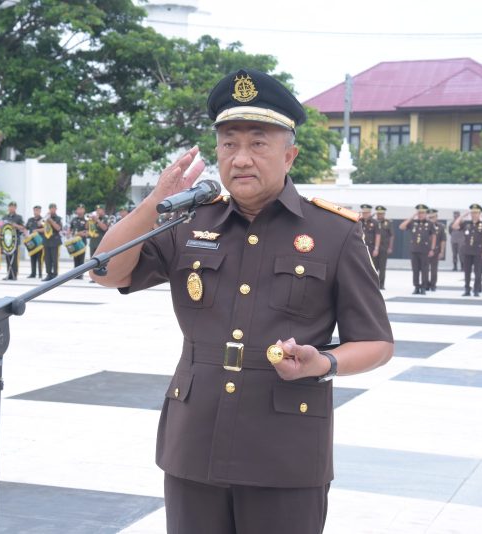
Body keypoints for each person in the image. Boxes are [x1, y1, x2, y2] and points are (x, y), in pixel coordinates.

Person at [90, 68, 394, 534]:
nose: (241, 158)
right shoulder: (188, 223)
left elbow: (375, 342)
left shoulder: (334, 232)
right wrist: (156, 200)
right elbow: (107, 271)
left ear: (289, 154)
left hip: (285, 449)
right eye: (229, 144)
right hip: (195, 440)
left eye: (258, 143)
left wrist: (323, 364)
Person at [451, 204, 482, 297]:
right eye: (472, 212)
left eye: (476, 213)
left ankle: (476, 290)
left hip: (478, 252)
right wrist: (462, 216)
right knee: (467, 272)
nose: (474, 214)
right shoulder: (466, 224)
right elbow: (454, 226)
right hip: (467, 251)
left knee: (478, 272)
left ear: (479, 214)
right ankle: (467, 289)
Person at [399, 204, 436, 295]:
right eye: (419, 213)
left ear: (425, 213)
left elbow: (434, 237)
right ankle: (416, 287)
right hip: (414, 250)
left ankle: (423, 287)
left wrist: (432, 249)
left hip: (425, 250)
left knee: (424, 270)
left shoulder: (430, 224)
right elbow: (401, 227)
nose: (421, 214)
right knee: (415, 270)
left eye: (422, 213)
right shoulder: (413, 223)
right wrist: (412, 217)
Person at [1, 201, 25, 280]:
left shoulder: (19, 217)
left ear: (15, 208)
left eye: (13, 207)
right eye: (10, 206)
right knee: (8, 258)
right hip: (6, 241)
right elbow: (1, 228)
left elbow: (23, 228)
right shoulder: (4, 217)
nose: (11, 208)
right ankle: (9, 274)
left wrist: (16, 225)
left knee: (14, 258)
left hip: (14, 241)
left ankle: (14, 274)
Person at [373, 205, 393, 290]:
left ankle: (381, 284)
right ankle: (374, 283)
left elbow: (391, 236)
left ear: (384, 214)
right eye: (378, 214)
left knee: (382, 267)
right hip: (373, 248)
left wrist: (390, 247)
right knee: (374, 267)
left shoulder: (388, 223)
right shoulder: (373, 222)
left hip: (384, 247)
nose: (379, 215)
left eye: (381, 214)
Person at [426, 208, 447, 291]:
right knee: (425, 269)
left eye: (433, 217)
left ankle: (433, 285)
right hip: (425, 251)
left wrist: (442, 251)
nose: (431, 219)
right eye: (430, 217)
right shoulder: (425, 225)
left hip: (436, 251)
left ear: (436, 217)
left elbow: (443, 240)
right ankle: (426, 284)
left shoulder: (441, 227)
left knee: (434, 269)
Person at [42, 203, 63, 281]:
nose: (52, 210)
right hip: (46, 241)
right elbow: (40, 224)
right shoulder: (46, 218)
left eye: (54, 208)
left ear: (56, 209)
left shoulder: (58, 218)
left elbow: (58, 228)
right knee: (47, 259)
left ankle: (55, 274)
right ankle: (48, 274)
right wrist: (46, 218)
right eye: (51, 208)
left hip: (55, 241)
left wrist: (51, 220)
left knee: (54, 259)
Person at [68, 204, 89, 279]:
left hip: (82, 242)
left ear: (84, 210)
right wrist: (70, 234)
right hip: (74, 242)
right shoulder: (74, 219)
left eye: (81, 209)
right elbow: (70, 229)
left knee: (81, 259)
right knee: (75, 258)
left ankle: (80, 274)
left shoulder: (87, 219)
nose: (80, 211)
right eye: (78, 209)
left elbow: (87, 231)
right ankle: (75, 274)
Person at [24, 205, 44, 278]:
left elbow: (45, 229)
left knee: (40, 258)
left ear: (40, 211)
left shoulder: (42, 220)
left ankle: (40, 274)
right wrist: (26, 234)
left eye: (38, 210)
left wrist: (37, 230)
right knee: (32, 257)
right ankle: (33, 273)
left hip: (40, 242)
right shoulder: (30, 220)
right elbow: (25, 228)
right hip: (32, 242)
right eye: (35, 210)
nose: (36, 212)